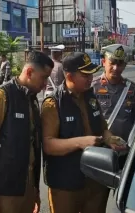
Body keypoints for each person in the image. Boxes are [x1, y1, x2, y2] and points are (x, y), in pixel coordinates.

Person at [41, 52, 127, 213]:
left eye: (91, 74)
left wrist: (110, 139)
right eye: (84, 74)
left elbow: (102, 128)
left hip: (95, 179)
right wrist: (81, 142)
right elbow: (48, 144)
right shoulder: (53, 103)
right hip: (65, 183)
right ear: (70, 76)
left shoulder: (90, 97)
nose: (90, 78)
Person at [0, 50, 54, 213]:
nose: (45, 84)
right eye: (43, 77)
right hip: (0, 193)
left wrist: (34, 191)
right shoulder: (1, 97)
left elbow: (32, 149)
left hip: (23, 191)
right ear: (29, 72)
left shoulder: (31, 100)